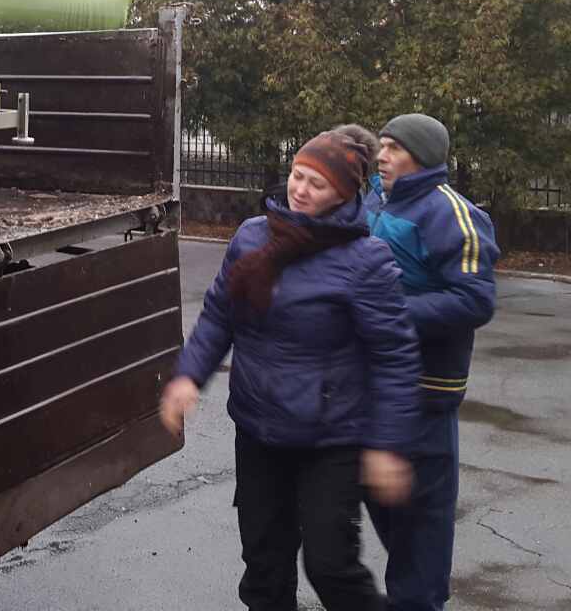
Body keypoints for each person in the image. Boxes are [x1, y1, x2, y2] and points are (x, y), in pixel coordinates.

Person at [161, 129, 420, 611]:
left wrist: (388, 446)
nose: (300, 189)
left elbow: (395, 358)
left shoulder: (366, 260)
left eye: (317, 184)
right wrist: (188, 376)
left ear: (343, 193)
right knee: (264, 565)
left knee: (331, 566)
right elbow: (219, 315)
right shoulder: (252, 237)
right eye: (298, 175)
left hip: (332, 438)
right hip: (259, 428)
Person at [363, 115, 498, 611]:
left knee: (421, 532)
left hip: (426, 394)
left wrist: (389, 312)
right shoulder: (375, 201)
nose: (382, 156)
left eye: (394, 148)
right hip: (369, 390)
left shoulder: (452, 213)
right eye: (381, 145)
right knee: (386, 509)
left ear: (422, 156)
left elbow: (474, 300)